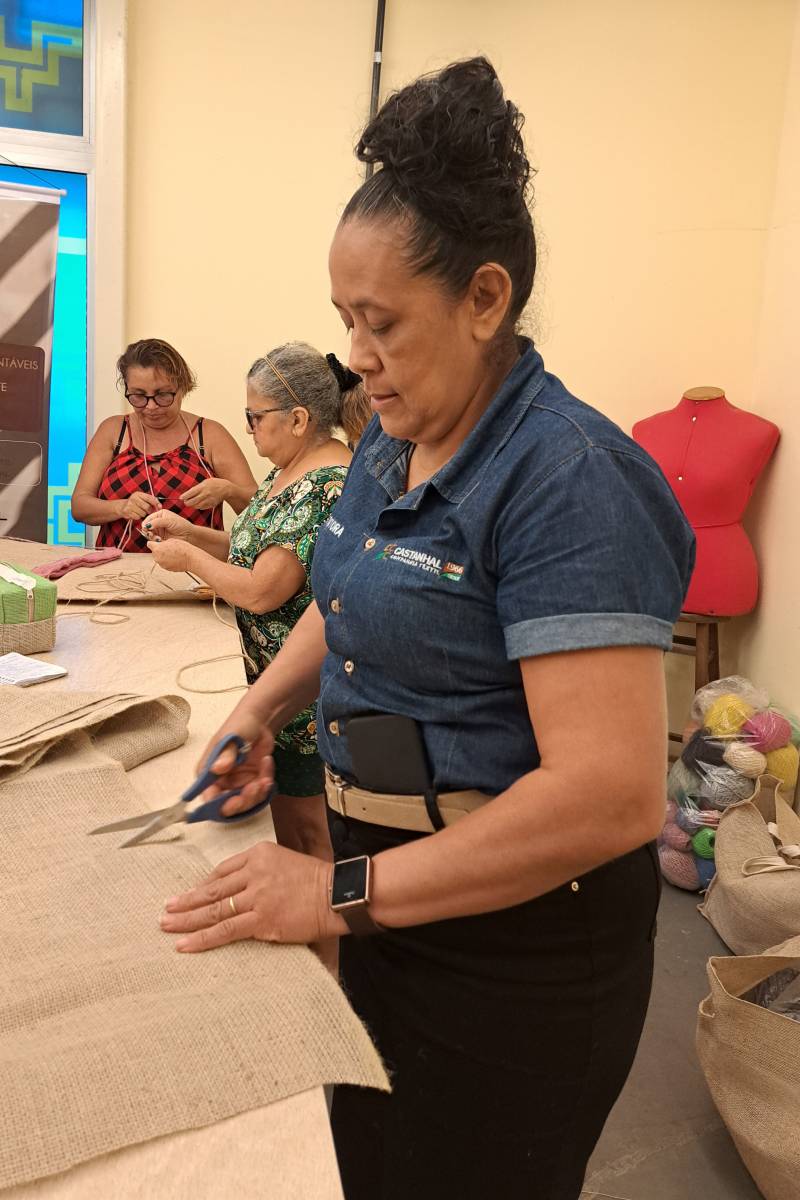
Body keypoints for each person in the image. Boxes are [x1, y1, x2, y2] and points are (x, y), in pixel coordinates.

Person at [157, 59, 695, 1200]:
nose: (355, 353)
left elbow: (608, 794)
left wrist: (335, 896)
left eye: (381, 322)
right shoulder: (395, 440)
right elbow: (342, 600)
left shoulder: (570, 481)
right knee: (370, 1163)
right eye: (344, 319)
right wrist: (261, 708)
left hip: (519, 942)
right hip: (385, 881)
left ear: (485, 299)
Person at [142, 342, 369, 853]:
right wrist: (191, 533)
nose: (248, 427)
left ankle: (319, 924)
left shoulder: (325, 484)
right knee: (287, 825)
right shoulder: (288, 467)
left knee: (310, 834)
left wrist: (188, 560)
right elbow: (256, 553)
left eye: (254, 416)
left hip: (304, 698)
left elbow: (264, 590)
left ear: (298, 418)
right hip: (275, 688)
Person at [71, 338, 257, 552]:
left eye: (162, 395)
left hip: (195, 576)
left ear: (183, 387)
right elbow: (80, 506)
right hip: (115, 574)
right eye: (139, 396)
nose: (151, 406)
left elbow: (259, 514)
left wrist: (228, 490)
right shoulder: (114, 431)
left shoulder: (210, 436)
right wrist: (121, 507)